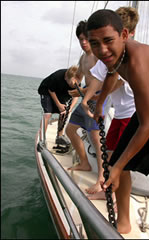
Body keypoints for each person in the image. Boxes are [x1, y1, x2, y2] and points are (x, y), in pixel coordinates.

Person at [86, 9, 149, 239]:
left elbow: (148, 125)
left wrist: (115, 170)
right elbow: (111, 74)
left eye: (108, 41)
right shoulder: (115, 57)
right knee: (120, 161)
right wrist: (99, 106)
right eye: (95, 43)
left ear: (124, 34)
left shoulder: (137, 63)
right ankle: (124, 222)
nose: (102, 50)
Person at [81, 6, 139, 198]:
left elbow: (117, 80)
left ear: (126, 34)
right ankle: (108, 192)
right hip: (120, 114)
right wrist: (88, 99)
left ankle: (113, 198)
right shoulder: (106, 57)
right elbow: (98, 78)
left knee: (120, 162)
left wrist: (99, 98)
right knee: (111, 154)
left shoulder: (131, 57)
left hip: (130, 114)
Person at [66, 20, 109, 195]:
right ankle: (84, 162)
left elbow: (107, 80)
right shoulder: (83, 58)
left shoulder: (98, 55)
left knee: (97, 140)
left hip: (97, 100)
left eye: (86, 38)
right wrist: (74, 81)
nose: (83, 43)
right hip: (85, 98)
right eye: (80, 39)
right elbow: (79, 75)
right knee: (70, 129)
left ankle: (101, 178)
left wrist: (86, 92)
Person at [38, 66, 79, 145]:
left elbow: (76, 96)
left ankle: (59, 137)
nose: (73, 85)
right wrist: (59, 105)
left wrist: (70, 108)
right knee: (48, 114)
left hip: (61, 92)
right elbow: (51, 90)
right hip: (47, 90)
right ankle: (42, 138)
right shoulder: (57, 76)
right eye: (71, 84)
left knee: (63, 112)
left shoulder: (77, 80)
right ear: (66, 77)